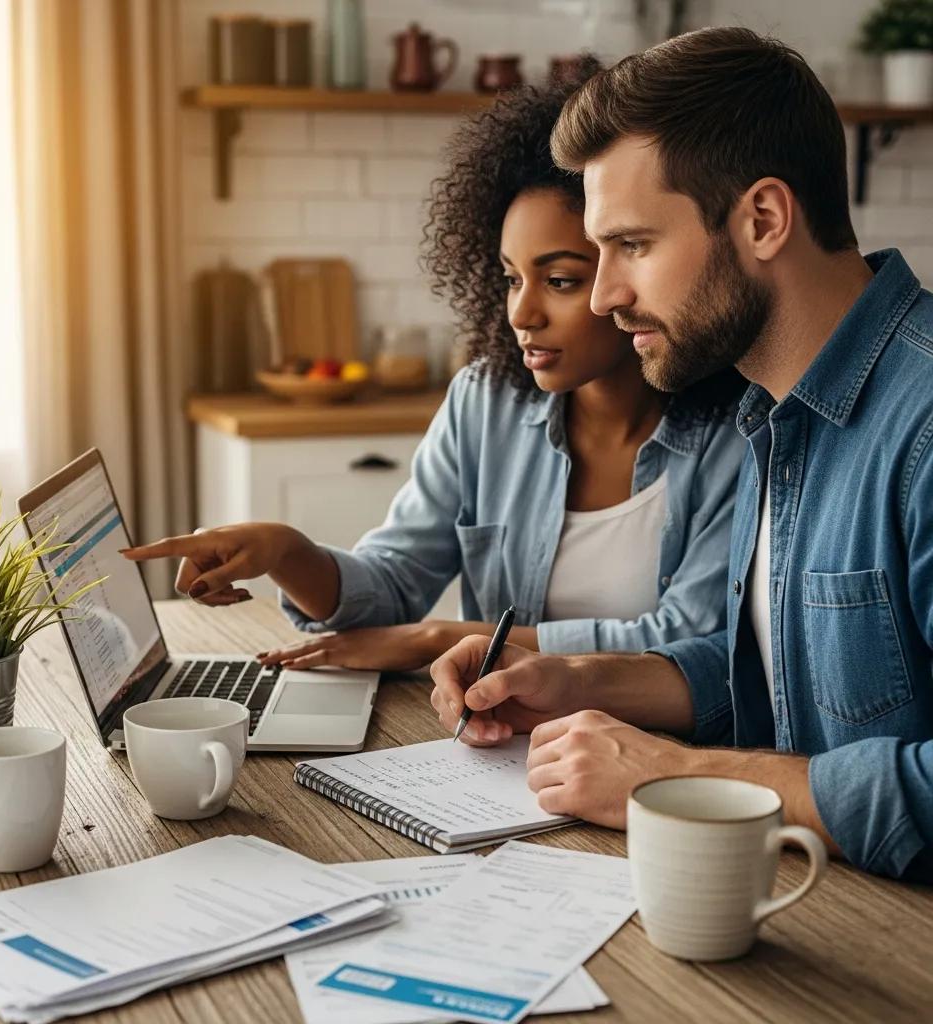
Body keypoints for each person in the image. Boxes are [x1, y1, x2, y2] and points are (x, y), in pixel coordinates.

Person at [429, 26, 933, 882]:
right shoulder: (771, 411)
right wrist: (572, 679)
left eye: (633, 245)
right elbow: (781, 678)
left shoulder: (920, 428)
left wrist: (675, 774)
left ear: (764, 219)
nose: (605, 294)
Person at [123, 58, 744, 672]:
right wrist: (286, 551)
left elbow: (687, 639)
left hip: (650, 753)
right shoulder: (486, 404)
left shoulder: (736, 431)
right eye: (509, 278)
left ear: (629, 267)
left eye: (559, 280)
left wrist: (438, 640)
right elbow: (391, 588)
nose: (521, 313)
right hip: (495, 742)